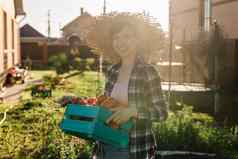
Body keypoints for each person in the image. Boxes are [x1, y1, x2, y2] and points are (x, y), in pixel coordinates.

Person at [88, 13, 168, 159]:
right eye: (116, 37)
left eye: (127, 36)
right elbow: (107, 106)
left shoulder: (147, 72)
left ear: (138, 40)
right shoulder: (113, 70)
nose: (120, 42)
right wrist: (92, 108)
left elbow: (161, 113)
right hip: (105, 144)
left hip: (133, 148)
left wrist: (132, 111)